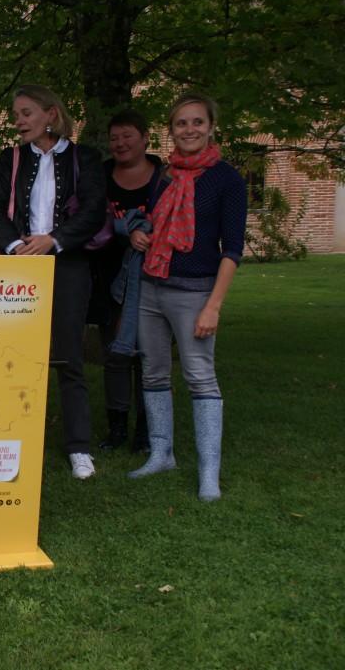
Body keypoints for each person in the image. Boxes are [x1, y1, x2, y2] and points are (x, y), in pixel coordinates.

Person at [0, 84, 107, 480]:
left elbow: (93, 210)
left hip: (67, 265)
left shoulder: (85, 157)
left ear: (51, 115)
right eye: (16, 114)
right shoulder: (10, 158)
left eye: (26, 113)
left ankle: (79, 448)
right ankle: (9, 438)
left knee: (68, 354)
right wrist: (18, 245)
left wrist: (54, 240)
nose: (18, 121)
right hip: (19, 267)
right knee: (11, 357)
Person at [127, 94, 247, 501]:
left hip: (195, 293)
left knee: (200, 377)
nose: (189, 130)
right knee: (153, 372)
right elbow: (152, 221)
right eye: (181, 124)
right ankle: (162, 454)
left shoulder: (227, 179)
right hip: (151, 286)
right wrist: (139, 234)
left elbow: (232, 249)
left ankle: (209, 473)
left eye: (198, 122)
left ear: (212, 127)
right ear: (171, 130)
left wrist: (213, 305)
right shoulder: (164, 175)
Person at [93, 110, 164, 454]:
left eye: (128, 136)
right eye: (115, 137)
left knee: (149, 357)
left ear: (146, 137)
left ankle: (146, 430)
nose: (120, 143)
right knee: (115, 355)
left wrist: (147, 234)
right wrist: (125, 229)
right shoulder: (101, 175)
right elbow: (90, 220)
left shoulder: (165, 177)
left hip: (156, 280)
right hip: (111, 280)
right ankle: (117, 427)